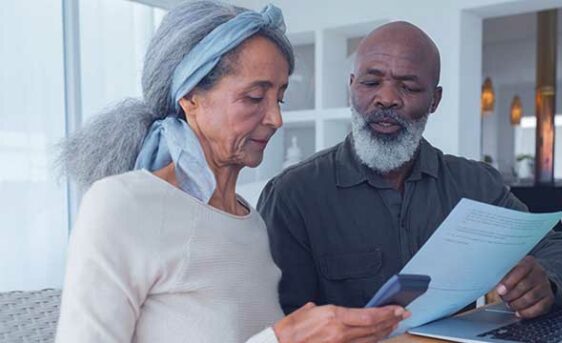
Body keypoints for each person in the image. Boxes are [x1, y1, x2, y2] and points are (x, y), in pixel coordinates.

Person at [54, 2, 407, 342]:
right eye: (255, 97)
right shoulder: (122, 205)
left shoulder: (249, 222)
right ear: (190, 97)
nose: (275, 119)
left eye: (279, 99)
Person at [258, 21, 562, 320]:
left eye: (409, 87)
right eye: (371, 82)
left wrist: (544, 280)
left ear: (435, 99)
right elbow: (276, 323)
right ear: (351, 87)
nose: (386, 98)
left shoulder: (474, 184)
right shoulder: (294, 194)